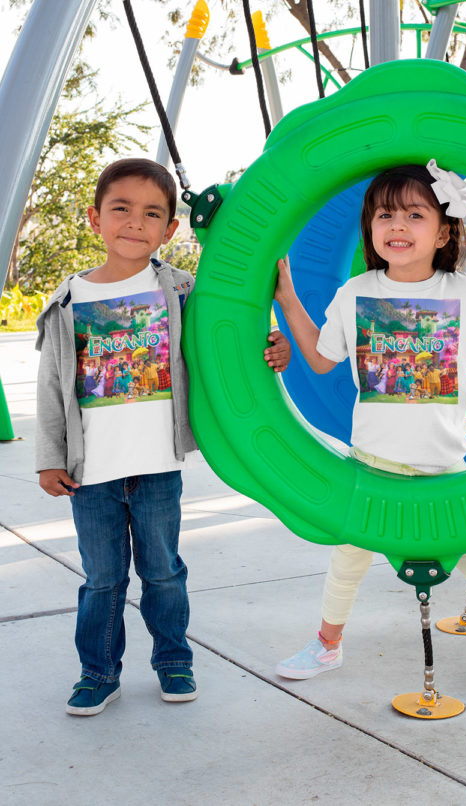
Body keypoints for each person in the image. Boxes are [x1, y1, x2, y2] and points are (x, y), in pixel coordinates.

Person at [272, 160, 466, 695]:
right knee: (347, 561)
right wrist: (287, 299)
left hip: (443, 466)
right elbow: (320, 358)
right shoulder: (356, 293)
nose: (398, 226)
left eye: (415, 213)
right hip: (372, 464)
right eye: (385, 214)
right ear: (369, 229)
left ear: (445, 230)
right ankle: (327, 644)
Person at [35, 157, 291, 716]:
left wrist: (274, 347)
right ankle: (98, 672)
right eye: (120, 208)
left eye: (152, 213)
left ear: (170, 229)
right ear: (94, 218)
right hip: (90, 476)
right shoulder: (68, 300)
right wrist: (49, 458)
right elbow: (53, 386)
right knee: (102, 581)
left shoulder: (181, 291)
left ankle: (174, 660)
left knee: (164, 573)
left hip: (156, 469)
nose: (135, 222)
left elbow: (227, 340)